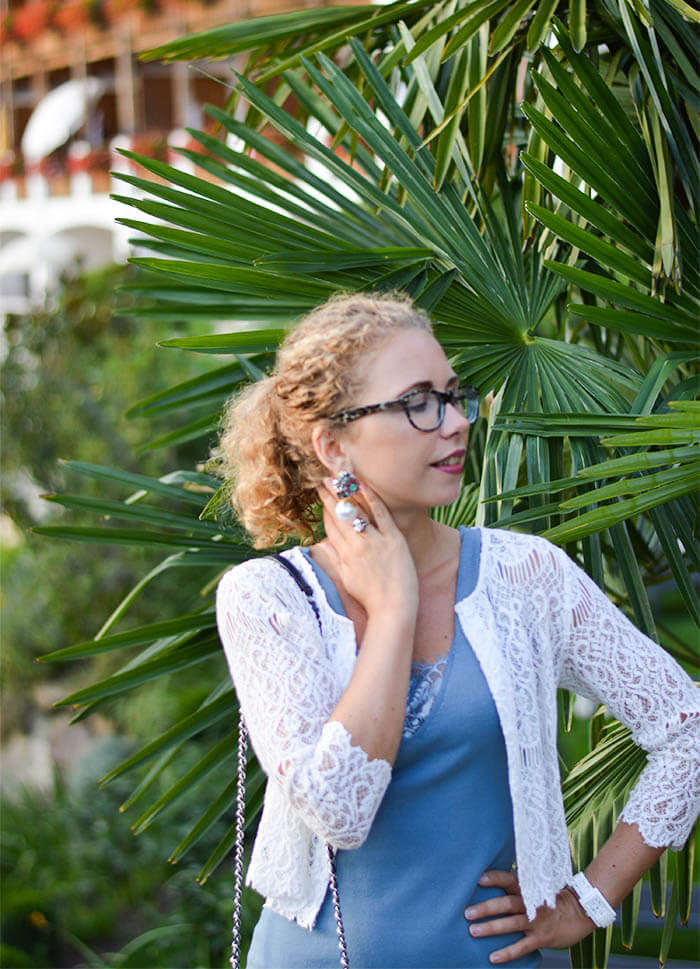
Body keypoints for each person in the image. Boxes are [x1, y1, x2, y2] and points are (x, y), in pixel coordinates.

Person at [215, 293, 699, 968]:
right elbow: (339, 811)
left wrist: (591, 895)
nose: (455, 422)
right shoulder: (268, 599)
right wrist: (392, 612)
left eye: (454, 394)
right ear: (333, 444)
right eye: (418, 402)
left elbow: (687, 726)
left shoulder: (526, 575)